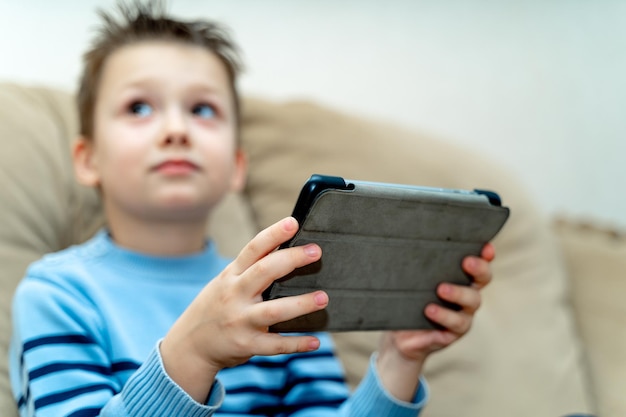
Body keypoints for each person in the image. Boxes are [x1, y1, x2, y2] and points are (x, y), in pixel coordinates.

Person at [9, 2, 495, 416]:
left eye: (203, 110)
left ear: (237, 167)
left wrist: (399, 360)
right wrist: (192, 353)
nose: (176, 129)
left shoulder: (282, 293)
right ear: (87, 159)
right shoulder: (57, 294)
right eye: (139, 107)